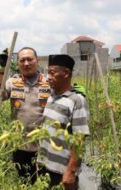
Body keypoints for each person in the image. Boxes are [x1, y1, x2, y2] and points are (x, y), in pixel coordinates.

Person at [0, 47, 51, 184]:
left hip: (44, 145)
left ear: (37, 61)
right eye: (22, 60)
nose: (26, 63)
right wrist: (1, 69)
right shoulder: (13, 82)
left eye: (30, 59)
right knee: (24, 182)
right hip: (20, 145)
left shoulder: (48, 82)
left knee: (43, 182)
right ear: (17, 63)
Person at [37, 54, 90, 190]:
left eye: (52, 73)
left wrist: (71, 171)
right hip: (46, 166)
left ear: (66, 73)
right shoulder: (51, 97)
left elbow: (80, 139)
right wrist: (40, 159)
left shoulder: (77, 101)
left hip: (62, 171)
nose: (48, 77)